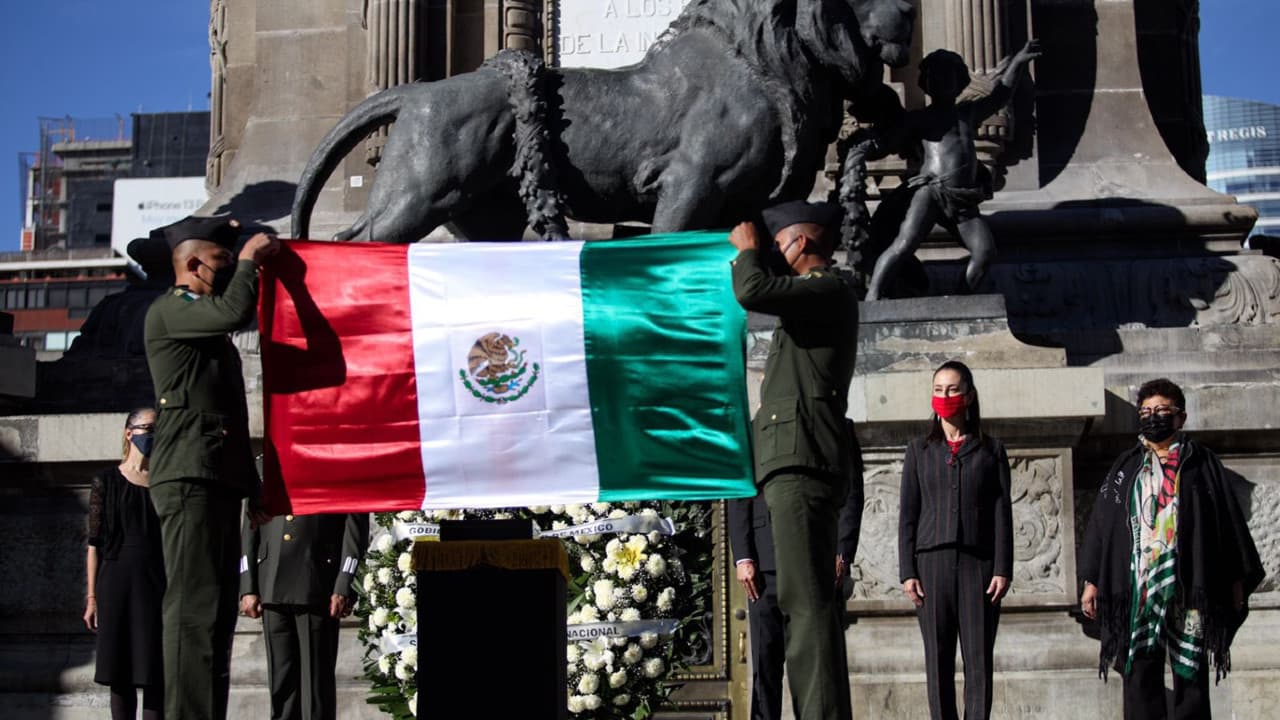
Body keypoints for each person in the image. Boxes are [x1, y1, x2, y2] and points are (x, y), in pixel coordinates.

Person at [143, 215, 280, 720]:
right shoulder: (170, 311)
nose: (229, 270)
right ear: (194, 264)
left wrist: (254, 487)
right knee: (193, 611)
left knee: (217, 616)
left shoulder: (204, 322)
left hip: (216, 477)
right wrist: (248, 262)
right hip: (187, 477)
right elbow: (234, 310)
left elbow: (231, 416)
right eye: (221, 262)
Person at [729, 199, 860, 720]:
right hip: (791, 463)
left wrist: (747, 253)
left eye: (780, 244)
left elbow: (751, 289)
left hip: (803, 464)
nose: (774, 254)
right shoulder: (809, 299)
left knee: (806, 609)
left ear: (801, 243)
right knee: (804, 607)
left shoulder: (826, 287)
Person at [1079, 378, 1263, 719]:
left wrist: (1235, 581)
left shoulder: (1202, 465)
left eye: (1162, 411)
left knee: (1189, 669)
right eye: (1146, 411)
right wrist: (1092, 581)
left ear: (1181, 417)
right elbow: (1103, 526)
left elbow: (1227, 526)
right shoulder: (1126, 468)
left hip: (1189, 584)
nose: (1154, 418)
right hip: (1140, 586)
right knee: (1139, 670)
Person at [863, 40, 1040, 300]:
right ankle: (873, 298)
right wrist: (863, 148)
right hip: (932, 191)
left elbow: (1001, 94)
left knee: (985, 253)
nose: (943, 82)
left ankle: (959, 299)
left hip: (962, 198)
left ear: (959, 81)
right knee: (904, 245)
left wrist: (1018, 63)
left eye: (949, 76)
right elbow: (887, 141)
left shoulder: (967, 113)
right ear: (927, 82)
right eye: (936, 76)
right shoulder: (919, 118)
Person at [898, 360, 1012, 720]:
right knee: (938, 660)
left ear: (969, 395)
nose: (944, 397)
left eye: (952, 389)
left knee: (978, 660)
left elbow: (1001, 512)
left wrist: (1002, 567)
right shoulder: (919, 450)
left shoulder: (990, 450)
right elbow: (908, 515)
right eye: (938, 390)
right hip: (931, 565)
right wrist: (907, 571)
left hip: (978, 567)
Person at [729, 434, 864, 720]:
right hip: (764, 567)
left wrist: (842, 549)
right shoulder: (754, 432)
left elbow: (851, 491)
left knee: (818, 667)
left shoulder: (833, 424)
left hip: (818, 560)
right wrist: (743, 557)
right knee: (765, 665)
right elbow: (739, 493)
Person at [239, 511, 370, 720]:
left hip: (317, 581)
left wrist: (345, 582)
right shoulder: (265, 476)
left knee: (315, 689)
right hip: (271, 582)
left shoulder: (338, 476)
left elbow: (354, 529)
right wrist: (248, 586)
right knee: (281, 684)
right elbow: (250, 526)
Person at [84, 408, 165, 720]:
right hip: (116, 583)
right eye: (147, 428)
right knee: (120, 673)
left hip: (156, 583)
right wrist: (92, 598)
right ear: (129, 432)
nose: (153, 435)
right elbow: (94, 545)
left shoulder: (163, 484)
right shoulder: (106, 481)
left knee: (155, 671)